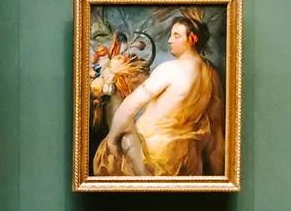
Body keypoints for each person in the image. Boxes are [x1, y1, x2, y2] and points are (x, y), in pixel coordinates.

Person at [93, 16, 223, 177]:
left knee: (110, 151)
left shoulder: (171, 69)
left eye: (176, 36)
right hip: (186, 160)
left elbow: (130, 106)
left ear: (191, 40)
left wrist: (112, 140)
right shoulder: (212, 74)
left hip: (151, 156)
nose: (169, 40)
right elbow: (216, 128)